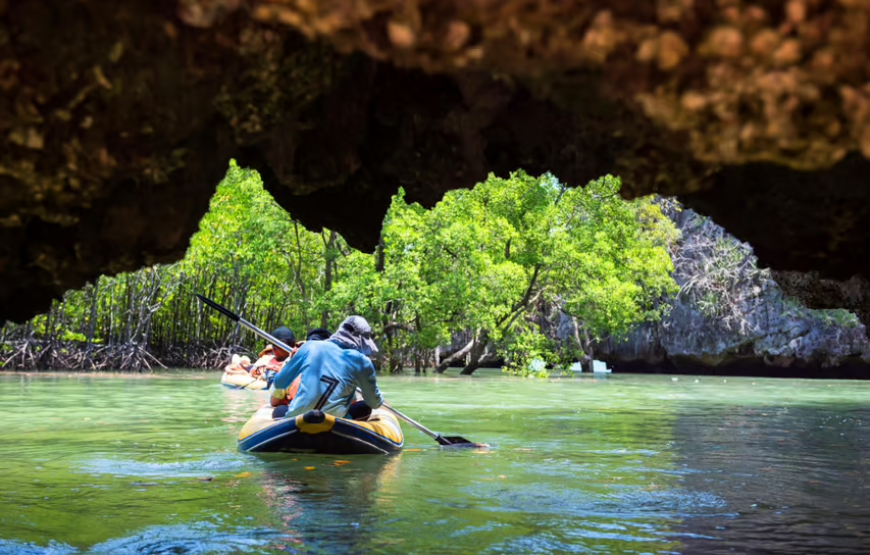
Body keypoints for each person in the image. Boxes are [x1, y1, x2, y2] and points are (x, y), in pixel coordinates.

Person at [270, 316, 383, 420]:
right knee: (364, 407)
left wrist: (293, 361)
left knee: (279, 410)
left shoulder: (309, 346)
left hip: (297, 419)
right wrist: (377, 398)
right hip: (337, 422)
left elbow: (279, 383)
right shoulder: (362, 361)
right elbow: (374, 403)